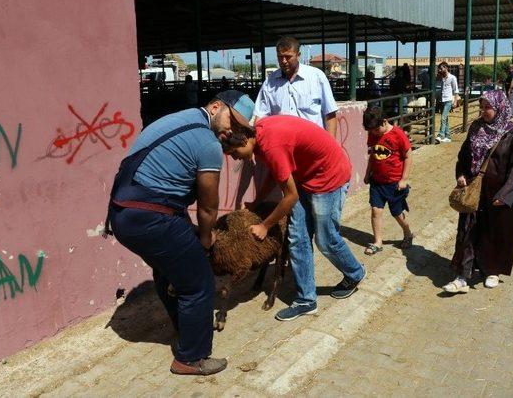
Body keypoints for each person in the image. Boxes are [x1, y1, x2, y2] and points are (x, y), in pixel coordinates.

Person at [105, 90, 255, 375]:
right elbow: (208, 209)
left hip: (123, 213)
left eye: (239, 129)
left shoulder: (179, 120)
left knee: (170, 271)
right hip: (151, 216)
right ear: (214, 107)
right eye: (232, 123)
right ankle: (191, 357)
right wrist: (206, 241)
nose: (232, 131)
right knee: (198, 281)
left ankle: (184, 330)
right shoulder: (208, 143)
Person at [223, 115, 366, 321]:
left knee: (325, 240)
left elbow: (290, 196)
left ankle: (355, 273)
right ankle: (307, 300)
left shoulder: (271, 145)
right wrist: (255, 202)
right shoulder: (259, 135)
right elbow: (277, 173)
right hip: (305, 177)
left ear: (245, 140)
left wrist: (265, 225)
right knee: (297, 238)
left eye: (235, 153)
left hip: (329, 178)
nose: (236, 158)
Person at [443, 90, 513, 293]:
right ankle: (462, 276)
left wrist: (505, 194)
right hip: (474, 191)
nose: (483, 111)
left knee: (496, 232)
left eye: (487, 107)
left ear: (499, 107)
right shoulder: (475, 127)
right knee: (468, 230)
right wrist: (461, 174)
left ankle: (493, 271)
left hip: (498, 195)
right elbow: (464, 155)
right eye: (481, 107)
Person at [254, 36, 339, 138]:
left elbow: (330, 115)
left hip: (312, 144)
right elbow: (260, 117)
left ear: (298, 55)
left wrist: (331, 146)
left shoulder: (317, 77)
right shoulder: (269, 82)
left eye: (288, 57)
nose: (284, 61)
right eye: (280, 57)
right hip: (282, 145)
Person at [362, 107, 414, 255]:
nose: (373, 133)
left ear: (384, 122)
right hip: (377, 181)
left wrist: (404, 179)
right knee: (375, 210)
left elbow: (408, 155)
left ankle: (407, 232)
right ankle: (378, 241)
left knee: (397, 212)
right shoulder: (373, 134)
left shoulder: (397, 134)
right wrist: (367, 173)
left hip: (394, 183)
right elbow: (373, 154)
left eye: (375, 130)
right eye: (370, 130)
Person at [436, 62, 459, 143]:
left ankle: (440, 135)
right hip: (442, 100)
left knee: (443, 118)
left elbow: (456, 90)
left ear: (446, 68)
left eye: (441, 68)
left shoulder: (452, 78)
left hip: (449, 100)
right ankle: (448, 136)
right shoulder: (442, 78)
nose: (440, 70)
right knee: (445, 119)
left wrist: (455, 101)